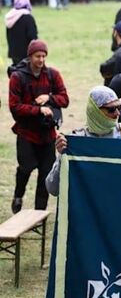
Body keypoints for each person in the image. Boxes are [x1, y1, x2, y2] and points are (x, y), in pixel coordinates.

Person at [46, 86, 121, 197]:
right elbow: (53, 189)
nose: (117, 113)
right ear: (95, 111)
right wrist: (63, 157)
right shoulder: (76, 142)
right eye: (111, 109)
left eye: (119, 107)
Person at [8, 40, 69, 213]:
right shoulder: (17, 77)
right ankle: (18, 196)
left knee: (45, 174)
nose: (41, 60)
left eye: (43, 56)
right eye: (37, 56)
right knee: (25, 168)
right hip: (26, 133)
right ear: (30, 56)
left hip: (47, 134)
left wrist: (49, 98)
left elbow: (65, 99)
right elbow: (15, 107)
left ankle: (39, 213)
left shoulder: (52, 75)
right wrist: (38, 110)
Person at [5, 0, 37, 65]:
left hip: (14, 53)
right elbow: (32, 36)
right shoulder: (28, 18)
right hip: (26, 53)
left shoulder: (10, 17)